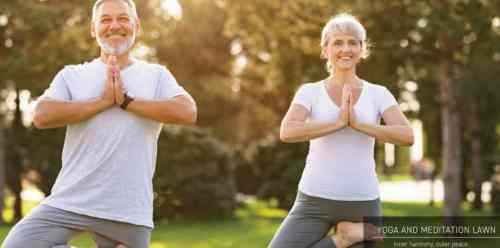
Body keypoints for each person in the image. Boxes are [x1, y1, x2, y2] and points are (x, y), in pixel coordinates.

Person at [2, 0, 197, 247]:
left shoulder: (156, 75)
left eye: (123, 18)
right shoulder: (72, 75)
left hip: (128, 210)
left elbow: (187, 111)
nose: (114, 25)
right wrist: (103, 102)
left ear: (136, 25)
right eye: (105, 19)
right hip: (69, 201)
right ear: (93, 29)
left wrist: (126, 101)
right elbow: (41, 115)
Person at [269, 13, 414, 248]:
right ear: (325, 50)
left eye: (353, 42)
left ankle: (356, 234)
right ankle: (342, 238)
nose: (345, 48)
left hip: (362, 201)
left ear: (362, 49)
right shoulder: (310, 92)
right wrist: (337, 123)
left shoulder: (379, 93)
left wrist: (359, 125)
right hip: (314, 200)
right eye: (337, 42)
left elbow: (407, 136)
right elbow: (287, 131)